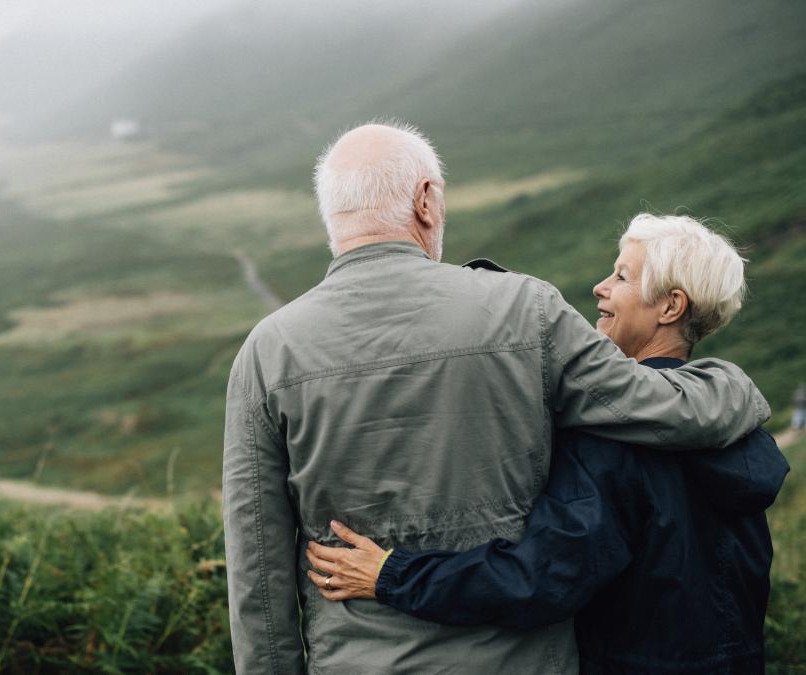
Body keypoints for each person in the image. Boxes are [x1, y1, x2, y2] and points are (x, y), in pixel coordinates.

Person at [222, 122, 771, 674]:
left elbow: (257, 573)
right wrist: (735, 387)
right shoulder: (526, 311)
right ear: (426, 201)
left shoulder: (266, 352)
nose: (604, 287)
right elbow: (660, 408)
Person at [306, 214, 790, 673]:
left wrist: (391, 574)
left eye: (622, 277)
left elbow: (539, 581)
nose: (601, 287)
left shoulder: (615, 439)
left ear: (670, 307)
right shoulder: (736, 427)